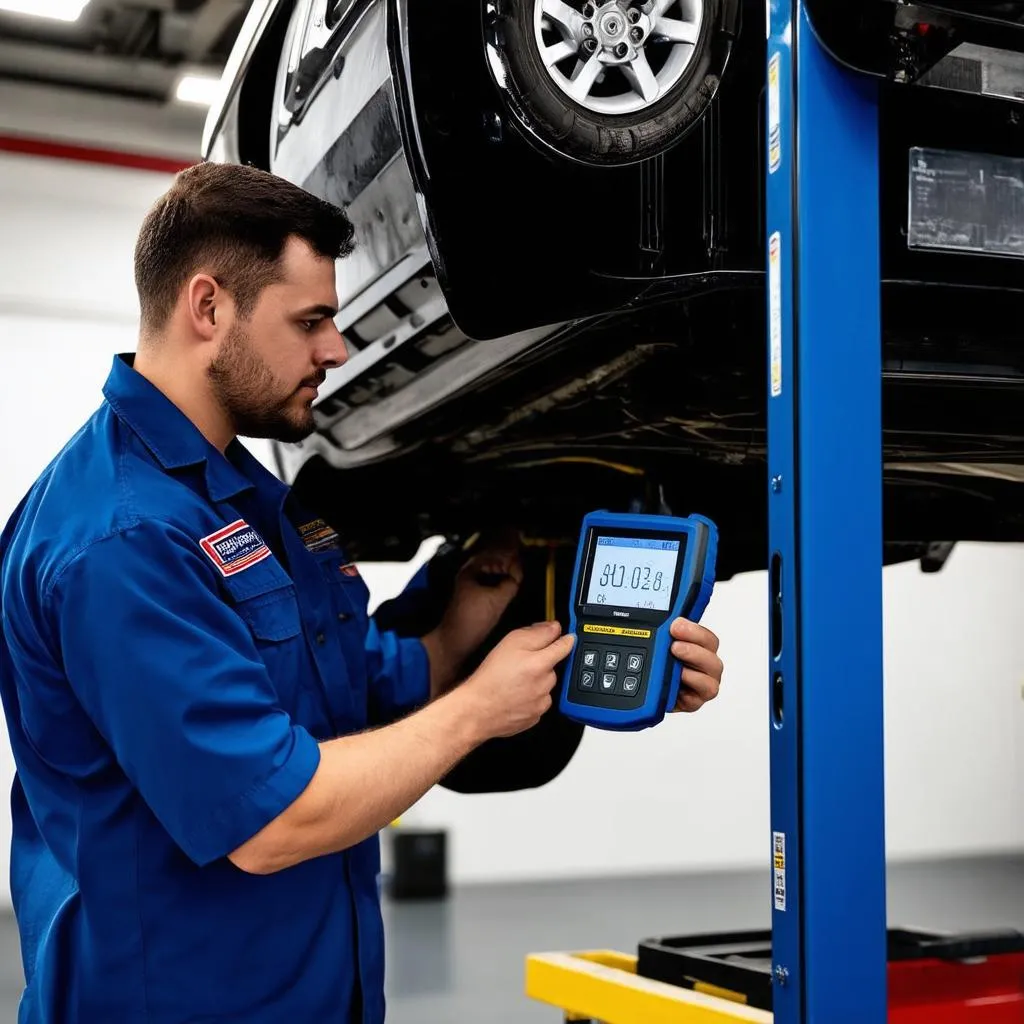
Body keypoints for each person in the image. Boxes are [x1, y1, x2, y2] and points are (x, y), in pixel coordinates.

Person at [0, 161, 725, 1024]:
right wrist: (476, 711)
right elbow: (269, 823)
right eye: (311, 321)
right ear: (208, 308)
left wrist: (473, 626)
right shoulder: (124, 542)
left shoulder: (245, 499)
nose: (336, 349)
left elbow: (354, 687)